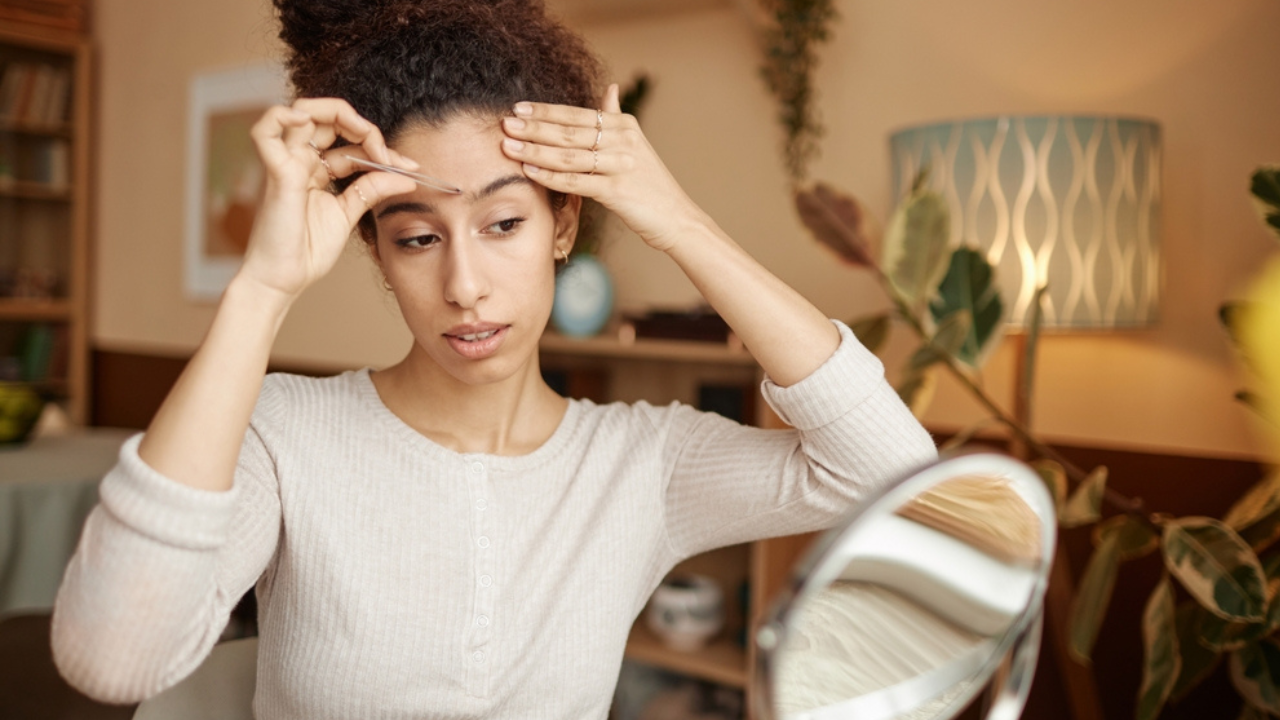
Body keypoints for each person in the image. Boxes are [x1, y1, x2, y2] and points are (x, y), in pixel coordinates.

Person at [52, 1, 936, 718]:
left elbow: (894, 470)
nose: (464, 284)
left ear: (564, 224)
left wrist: (681, 224)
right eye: (416, 237)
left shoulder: (642, 466)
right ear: (379, 259)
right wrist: (261, 290)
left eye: (504, 222)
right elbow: (110, 660)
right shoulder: (288, 435)